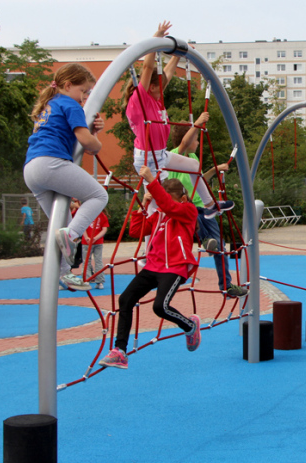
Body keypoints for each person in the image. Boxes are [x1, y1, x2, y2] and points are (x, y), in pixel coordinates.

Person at [123, 20, 232, 219]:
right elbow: (148, 67)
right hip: (148, 159)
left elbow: (168, 73)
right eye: (160, 86)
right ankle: (152, 243)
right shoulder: (140, 100)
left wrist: (178, 56)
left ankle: (209, 205)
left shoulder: (156, 100)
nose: (163, 89)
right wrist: (156, 36)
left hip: (161, 154)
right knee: (162, 201)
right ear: (151, 87)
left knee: (193, 166)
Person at [98, 166, 202, 370]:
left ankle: (189, 326)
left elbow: (170, 207)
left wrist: (151, 181)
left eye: (167, 200)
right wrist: (144, 204)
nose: (164, 205)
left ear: (181, 199)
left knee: (160, 307)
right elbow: (136, 230)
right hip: (153, 266)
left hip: (174, 267)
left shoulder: (188, 211)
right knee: (125, 299)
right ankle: (120, 351)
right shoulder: (159, 216)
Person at [23, 63, 108, 291]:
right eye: (84, 91)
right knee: (99, 196)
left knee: (60, 223)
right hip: (51, 163)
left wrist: (92, 130)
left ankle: (64, 274)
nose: (86, 97)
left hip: (32, 168)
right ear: (68, 85)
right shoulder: (71, 104)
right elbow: (87, 143)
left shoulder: (49, 105)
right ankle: (71, 236)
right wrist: (97, 141)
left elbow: (69, 137)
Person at [169, 112, 247, 298]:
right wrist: (196, 124)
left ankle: (226, 286)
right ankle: (204, 239)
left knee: (220, 245)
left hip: (202, 207)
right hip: (185, 207)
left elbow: (200, 182)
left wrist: (215, 169)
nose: (197, 142)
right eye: (196, 138)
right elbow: (183, 145)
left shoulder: (194, 159)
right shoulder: (173, 156)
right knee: (195, 219)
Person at [82, 210, 109, 289]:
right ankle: (100, 282)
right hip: (97, 241)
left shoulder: (86, 214)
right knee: (98, 261)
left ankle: (86, 281)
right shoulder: (102, 215)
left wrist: (87, 237)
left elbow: (82, 227)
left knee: (86, 261)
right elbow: (104, 229)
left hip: (87, 242)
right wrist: (96, 238)